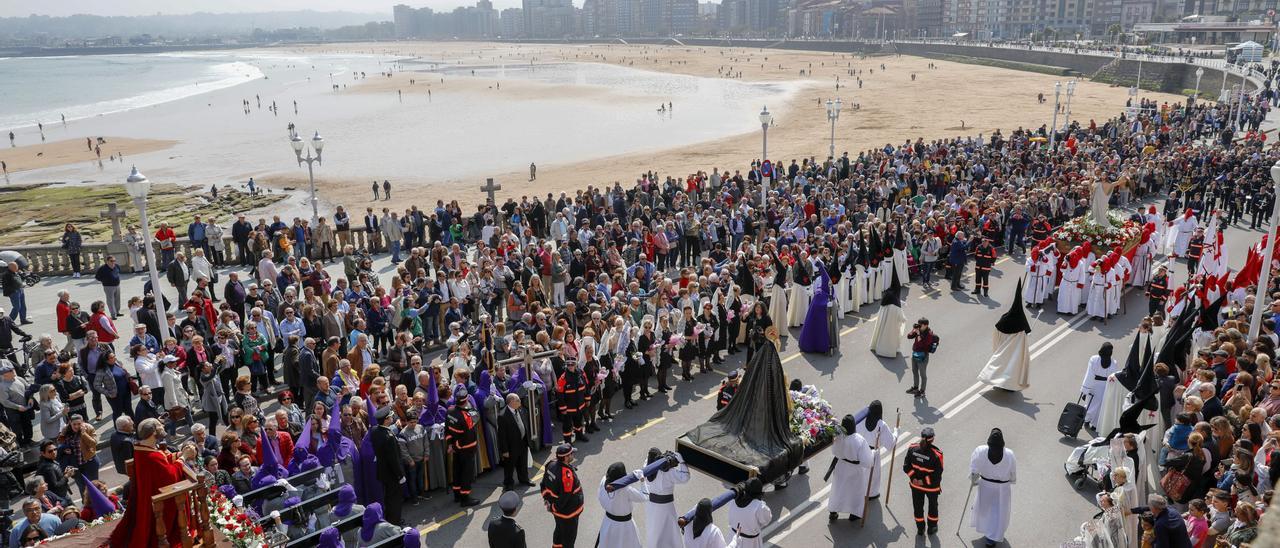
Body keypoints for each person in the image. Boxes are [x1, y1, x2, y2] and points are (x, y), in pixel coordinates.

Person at [108, 417, 193, 547]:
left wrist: (178, 455)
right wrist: (184, 457)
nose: (163, 426)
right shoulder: (151, 456)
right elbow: (171, 476)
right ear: (153, 432)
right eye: (160, 425)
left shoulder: (142, 448)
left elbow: (162, 462)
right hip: (161, 502)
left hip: (151, 496)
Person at [969, 428, 1016, 547]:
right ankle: (992, 537)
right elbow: (1013, 474)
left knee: (986, 509)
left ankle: (987, 532)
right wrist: (1011, 481)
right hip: (1002, 488)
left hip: (985, 485)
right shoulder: (1009, 454)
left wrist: (974, 480)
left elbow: (973, 470)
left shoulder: (980, 450)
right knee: (998, 512)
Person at [827, 414, 873, 521]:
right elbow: (867, 462)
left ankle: (833, 512)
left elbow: (833, 451)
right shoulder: (859, 440)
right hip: (855, 471)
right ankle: (854, 514)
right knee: (855, 492)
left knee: (838, 490)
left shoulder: (838, 437)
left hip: (840, 467)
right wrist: (873, 454)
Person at [642, 448, 688, 548]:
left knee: (654, 531)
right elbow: (685, 477)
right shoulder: (669, 472)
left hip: (651, 506)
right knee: (670, 532)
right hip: (666, 507)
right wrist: (681, 461)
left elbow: (649, 459)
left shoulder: (646, 467)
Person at [541, 443, 584, 548]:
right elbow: (565, 497)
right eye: (571, 453)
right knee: (569, 540)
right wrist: (554, 507)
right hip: (568, 514)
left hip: (557, 512)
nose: (573, 455)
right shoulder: (566, 476)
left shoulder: (551, 464)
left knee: (559, 531)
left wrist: (547, 501)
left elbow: (543, 484)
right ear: (565, 457)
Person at [904, 426, 943, 536]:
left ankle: (920, 529)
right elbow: (936, 475)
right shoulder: (937, 455)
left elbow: (906, 467)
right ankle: (931, 527)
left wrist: (914, 479)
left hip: (915, 486)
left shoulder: (912, 448)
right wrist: (923, 481)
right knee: (933, 506)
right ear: (933, 439)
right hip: (931, 487)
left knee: (917, 507)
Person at [445, 387, 481, 507]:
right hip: (467, 448)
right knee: (466, 473)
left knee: (457, 471)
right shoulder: (466, 416)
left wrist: (450, 444)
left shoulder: (450, 411)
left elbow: (447, 430)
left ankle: (457, 494)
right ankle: (465, 498)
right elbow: (475, 419)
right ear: (466, 400)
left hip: (455, 447)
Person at [597, 462, 645, 548]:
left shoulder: (603, 480)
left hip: (608, 523)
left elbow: (600, 497)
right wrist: (642, 479)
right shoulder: (626, 490)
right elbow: (645, 496)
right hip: (625, 526)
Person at [497, 392, 532, 490]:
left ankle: (524, 479)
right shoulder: (503, 416)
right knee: (509, 466)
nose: (520, 401)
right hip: (511, 446)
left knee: (523, 463)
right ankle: (508, 484)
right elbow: (502, 435)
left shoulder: (519, 410)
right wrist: (504, 450)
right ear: (511, 402)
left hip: (522, 442)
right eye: (517, 400)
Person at [725, 477, 770, 548]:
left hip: (732, 537)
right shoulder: (759, 506)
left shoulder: (734, 499)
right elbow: (766, 520)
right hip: (750, 543)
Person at [1080, 343, 1116, 431]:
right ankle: (1096, 425)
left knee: (1090, 404)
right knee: (1100, 406)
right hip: (1104, 387)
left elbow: (1089, 374)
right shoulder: (1114, 362)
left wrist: (1085, 389)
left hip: (1093, 385)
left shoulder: (1094, 359)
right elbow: (1114, 377)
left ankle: (1087, 420)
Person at [906, 318, 937, 397]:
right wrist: (913, 330)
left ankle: (922, 391)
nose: (919, 326)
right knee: (914, 371)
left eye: (921, 325)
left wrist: (918, 334)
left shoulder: (929, 334)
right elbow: (909, 336)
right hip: (915, 354)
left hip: (923, 356)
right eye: (918, 324)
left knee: (922, 375)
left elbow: (922, 344)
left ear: (926, 325)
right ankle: (915, 388)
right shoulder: (919, 330)